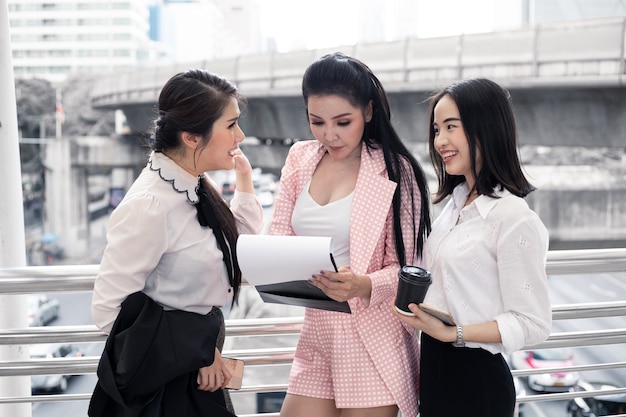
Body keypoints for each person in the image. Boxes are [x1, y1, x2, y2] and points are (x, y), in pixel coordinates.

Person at [89, 69, 264, 417]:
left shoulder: (191, 186)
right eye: (230, 125)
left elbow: (240, 248)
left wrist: (244, 179)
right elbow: (108, 308)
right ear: (191, 137)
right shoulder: (151, 204)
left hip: (199, 368)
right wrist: (195, 350)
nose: (240, 135)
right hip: (167, 383)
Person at [270, 52, 431, 417]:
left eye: (343, 122)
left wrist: (364, 284)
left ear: (369, 112)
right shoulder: (300, 158)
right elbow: (279, 233)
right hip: (318, 333)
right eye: (317, 122)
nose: (330, 135)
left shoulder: (396, 172)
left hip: (372, 337)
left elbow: (408, 267)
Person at [393, 78, 552, 417]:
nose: (440, 141)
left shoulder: (513, 218)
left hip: (476, 384)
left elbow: (532, 322)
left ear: (486, 128)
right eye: (437, 130)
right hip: (436, 374)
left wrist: (454, 333)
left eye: (451, 126)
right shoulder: (455, 206)